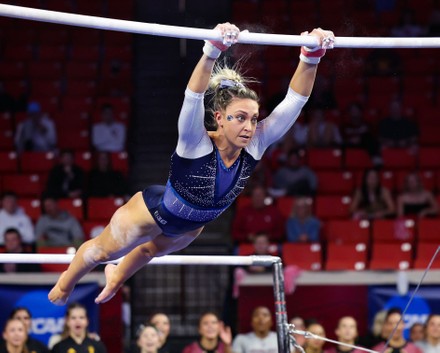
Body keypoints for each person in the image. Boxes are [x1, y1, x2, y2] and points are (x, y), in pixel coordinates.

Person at [48, 23, 335, 306]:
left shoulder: (256, 144)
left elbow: (294, 102)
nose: (249, 126)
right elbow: (193, 97)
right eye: (240, 117)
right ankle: (65, 283)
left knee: (149, 251)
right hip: (152, 209)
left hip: (190, 227)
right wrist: (212, 51)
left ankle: (117, 276)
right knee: (102, 252)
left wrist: (311, 57)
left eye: (253, 118)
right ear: (220, 118)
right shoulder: (195, 142)